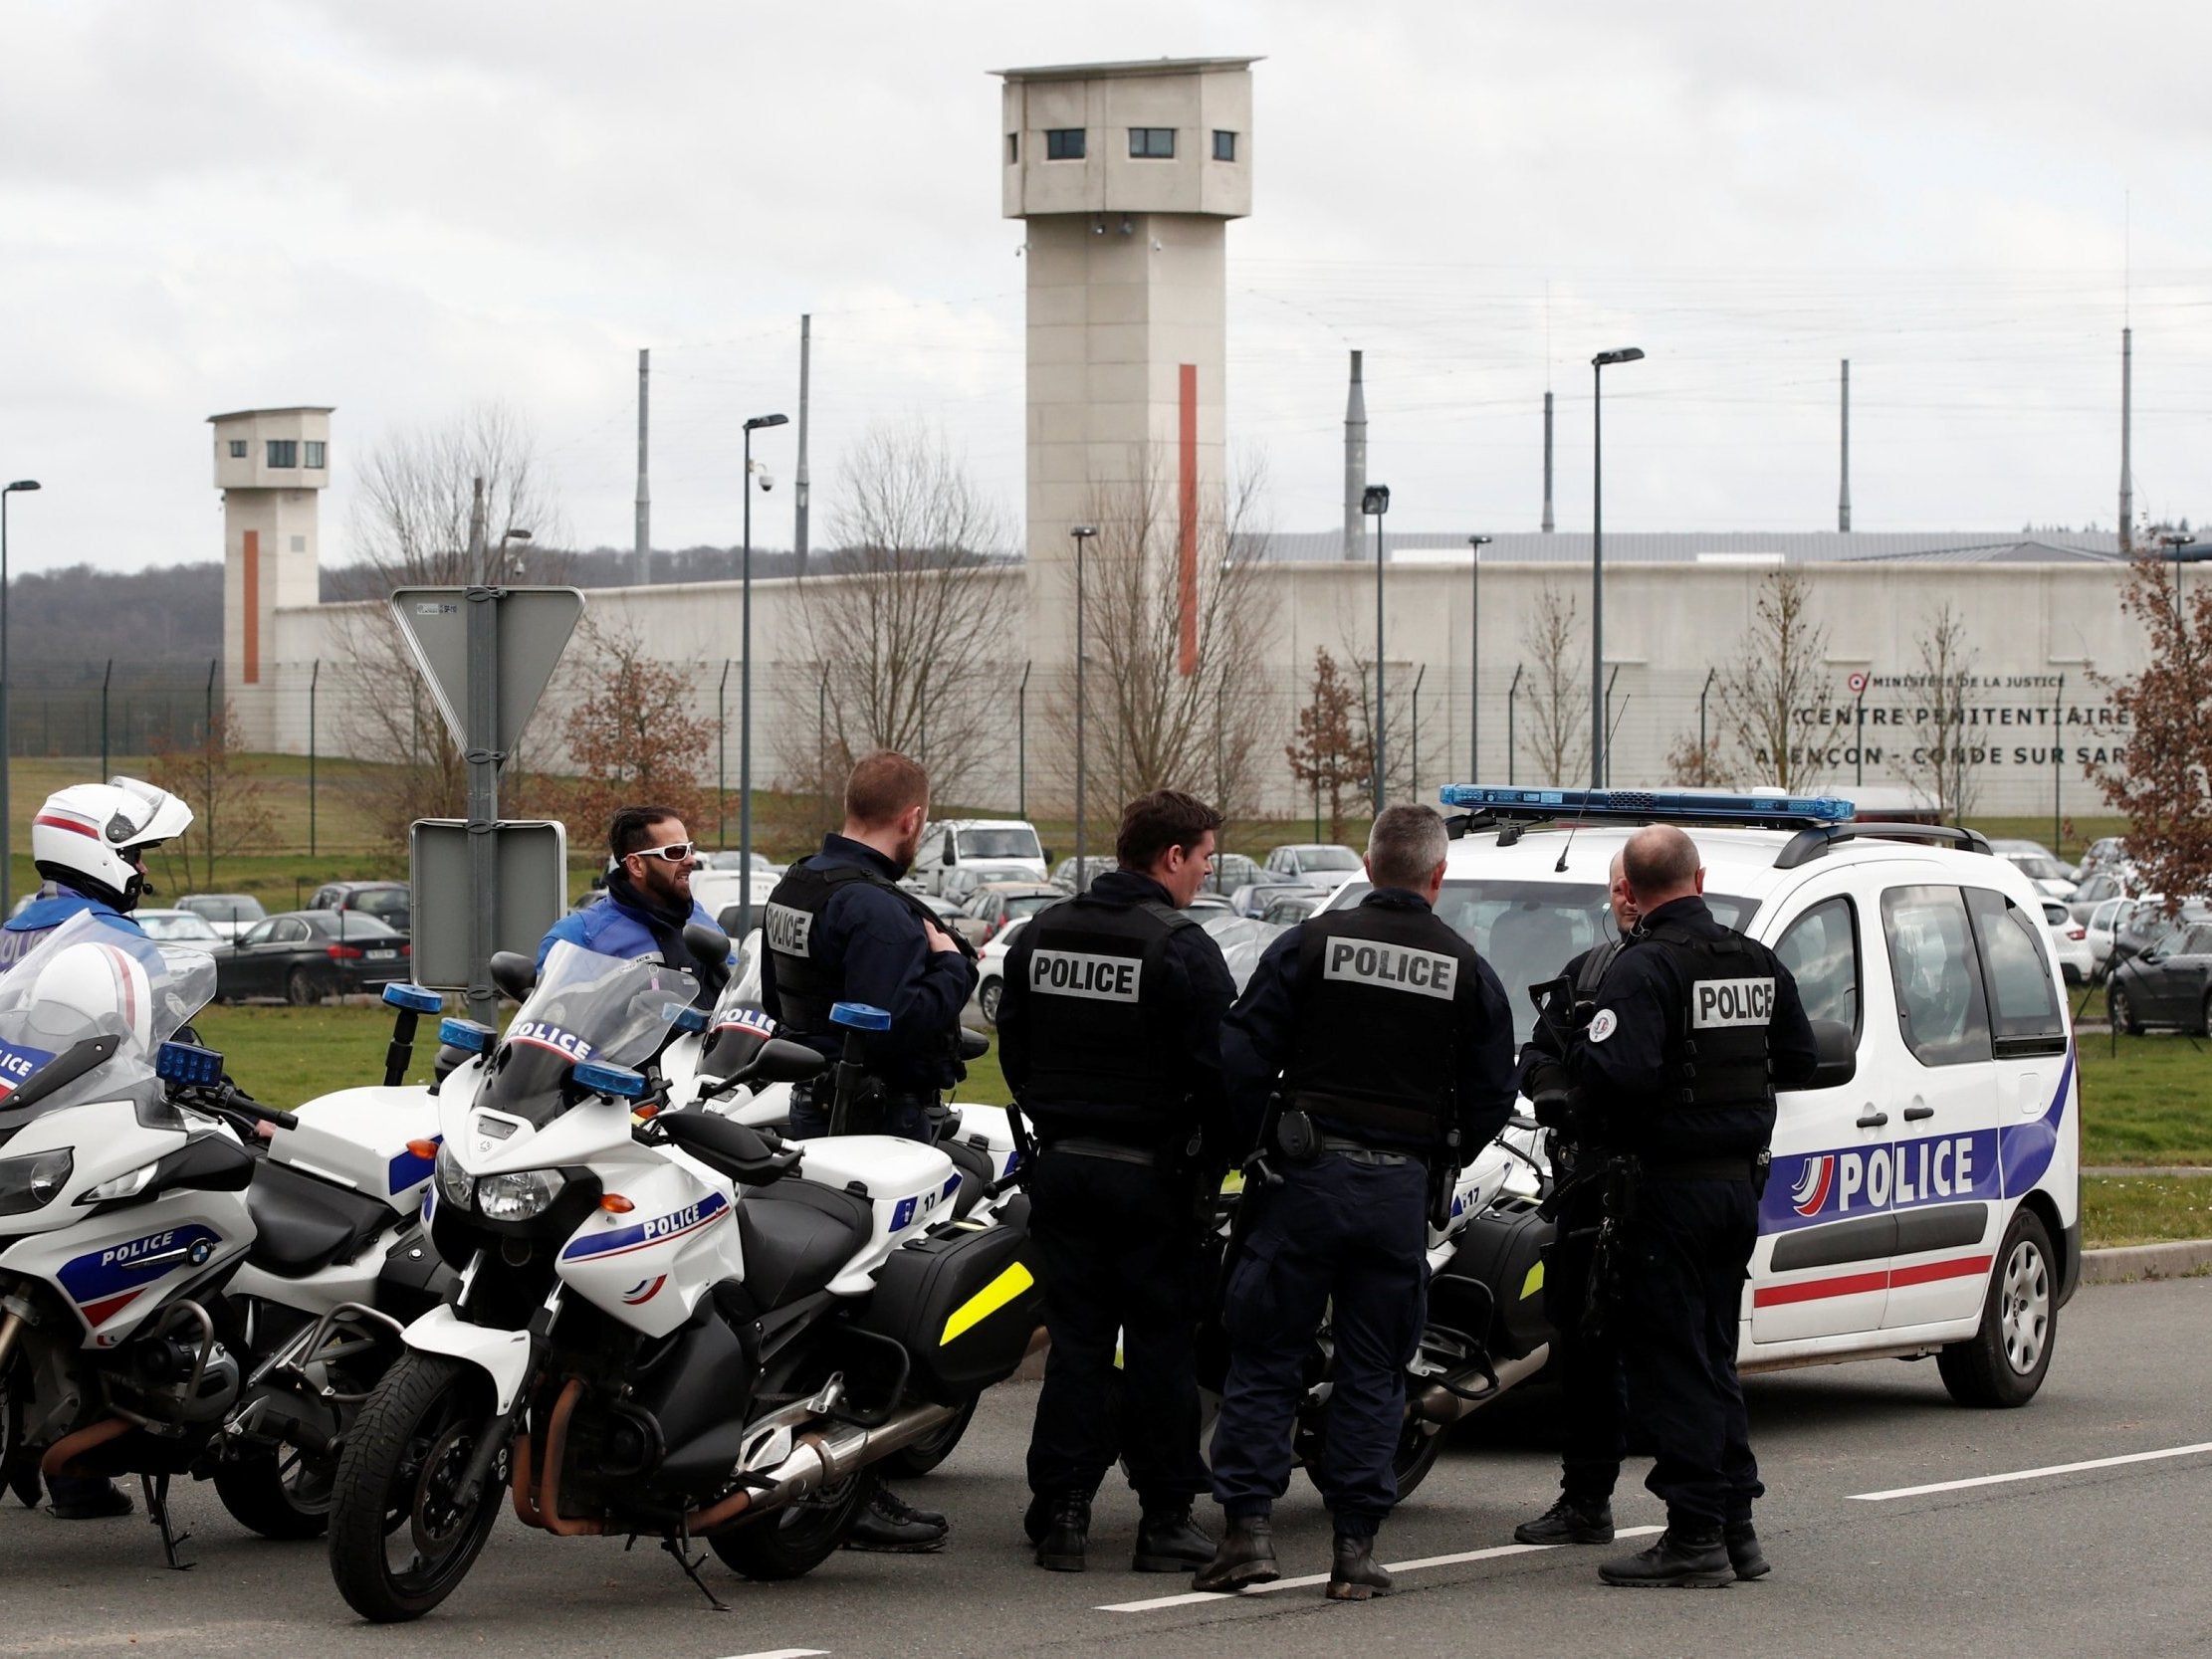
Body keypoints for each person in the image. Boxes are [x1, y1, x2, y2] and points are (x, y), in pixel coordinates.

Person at [1197, 804, 1515, 1600]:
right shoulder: (1467, 968)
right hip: (1396, 1193)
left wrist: (1245, 1144)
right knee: (1376, 1368)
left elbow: (1238, 1059)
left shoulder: (1306, 946)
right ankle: (1354, 1551)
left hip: (1302, 1184)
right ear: (1437, 877)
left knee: (1267, 1356)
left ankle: (1248, 1535)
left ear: (1369, 867)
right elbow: (1489, 1096)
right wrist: (1439, 1157)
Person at [1564, 824, 1818, 1588]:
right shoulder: (1754, 959)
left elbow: (1618, 1080)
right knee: (1712, 1351)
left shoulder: (1643, 969)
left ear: (1631, 894)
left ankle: (1695, 1533)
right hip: (1738, 1187)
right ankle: (1737, 1525)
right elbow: (1801, 1057)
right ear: (1699, 878)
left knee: (1673, 1361)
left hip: (1667, 1189)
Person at [998, 790, 1235, 1575]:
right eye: (1204, 857)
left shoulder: (1041, 934)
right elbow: (1223, 1075)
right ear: (1171, 857)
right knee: (1163, 1345)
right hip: (1153, 1177)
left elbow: (1017, 1051)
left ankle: (1063, 1511)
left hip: (1063, 1168)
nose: (1206, 872)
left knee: (1078, 1343)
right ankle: (1166, 1516)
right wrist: (1213, 1157)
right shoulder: (1181, 946)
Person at [759, 749, 975, 1554]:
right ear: (912, 819)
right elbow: (891, 1020)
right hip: (878, 1119)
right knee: (879, 1304)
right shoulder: (881, 912)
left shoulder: (795, 886)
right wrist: (953, 970)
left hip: (811, 1105)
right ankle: (854, 1484)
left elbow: (784, 1003)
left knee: (815, 1291)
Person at [2, 776, 193, 1521]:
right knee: (125, 1273)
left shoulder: (18, 926)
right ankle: (82, 1468)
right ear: (102, 851)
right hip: (82, 1138)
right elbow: (163, 1047)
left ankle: (41, 1449)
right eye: (138, 853)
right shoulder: (115, 942)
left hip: (16, 1134)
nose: (144, 870)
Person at [1511, 851, 1637, 1549]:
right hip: (1589, 1190)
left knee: (1673, 1350)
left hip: (1668, 1190)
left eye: (1635, 884)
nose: (1625, 896)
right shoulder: (1586, 974)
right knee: (1585, 1345)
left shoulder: (1685, 971)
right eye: (1616, 885)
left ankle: (1707, 1516)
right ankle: (1586, 1499)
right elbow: (1538, 1052)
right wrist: (1552, 1087)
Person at [536, 805, 726, 1002]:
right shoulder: (576, 937)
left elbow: (737, 996)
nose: (691, 860)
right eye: (676, 852)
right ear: (636, 865)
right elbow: (552, 1018)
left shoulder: (702, 921)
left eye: (689, 849)